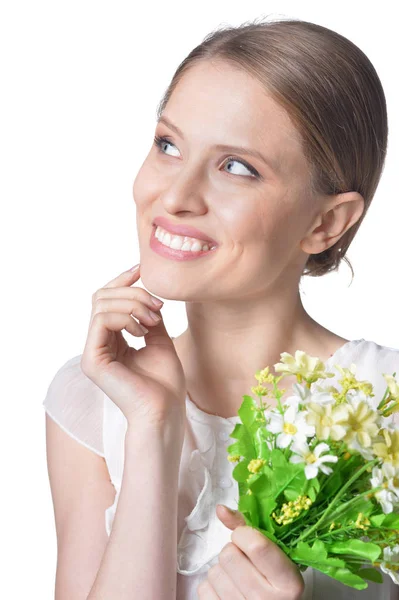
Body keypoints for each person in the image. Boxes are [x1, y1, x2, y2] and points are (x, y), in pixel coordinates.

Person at [43, 16, 399, 599]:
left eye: (237, 167)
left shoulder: (386, 403)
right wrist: (153, 430)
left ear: (325, 222)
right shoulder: (92, 399)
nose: (175, 197)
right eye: (168, 145)